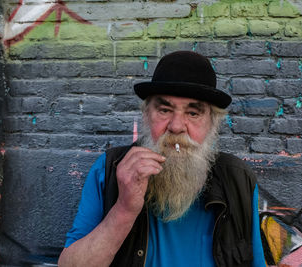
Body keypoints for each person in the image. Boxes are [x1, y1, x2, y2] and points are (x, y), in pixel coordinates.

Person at [58, 51, 266, 267]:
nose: (176, 126)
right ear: (147, 114)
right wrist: (124, 209)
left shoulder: (238, 179)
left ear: (212, 124)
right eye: (165, 110)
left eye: (193, 114)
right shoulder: (109, 169)